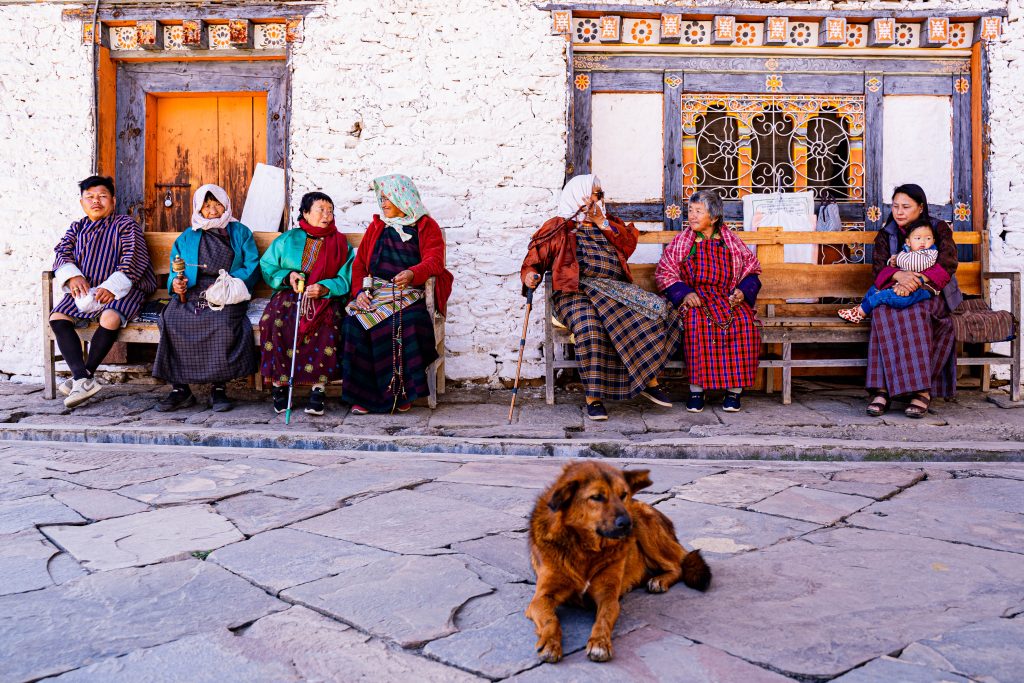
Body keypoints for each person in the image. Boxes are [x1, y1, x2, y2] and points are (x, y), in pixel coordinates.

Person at [521, 174, 678, 421]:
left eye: (600, 194)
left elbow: (627, 246)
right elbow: (534, 259)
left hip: (612, 289)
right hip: (574, 292)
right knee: (590, 328)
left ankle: (649, 379)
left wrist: (601, 222)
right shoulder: (558, 226)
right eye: (595, 193)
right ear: (579, 195)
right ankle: (593, 397)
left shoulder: (607, 223)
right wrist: (531, 275)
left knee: (648, 313)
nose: (599, 198)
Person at [341, 174, 453, 414]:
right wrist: (360, 292)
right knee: (354, 321)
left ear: (403, 198)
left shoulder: (425, 225)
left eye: (387, 199)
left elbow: (435, 262)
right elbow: (360, 264)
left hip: (408, 293)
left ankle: (401, 393)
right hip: (378, 291)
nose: (383, 204)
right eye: (381, 199)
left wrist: (413, 274)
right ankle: (364, 396)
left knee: (404, 322)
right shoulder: (377, 227)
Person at [49, 176, 157, 408]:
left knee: (109, 317)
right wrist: (72, 275)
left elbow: (133, 257)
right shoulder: (77, 228)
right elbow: (61, 252)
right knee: (57, 318)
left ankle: (83, 376)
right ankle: (82, 377)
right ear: (82, 202)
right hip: (86, 287)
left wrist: (113, 285)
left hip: (125, 288)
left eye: (102, 196)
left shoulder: (125, 225)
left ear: (113, 200)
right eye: (90, 197)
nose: (95, 201)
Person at [152, 185, 260, 412]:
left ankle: (219, 387)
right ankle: (180, 388)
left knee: (222, 322)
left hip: (226, 289)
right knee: (172, 318)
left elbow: (252, 265)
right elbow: (176, 267)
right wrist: (176, 282)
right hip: (192, 290)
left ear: (226, 205)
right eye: (206, 206)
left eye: (217, 205)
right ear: (198, 209)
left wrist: (227, 283)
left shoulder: (240, 232)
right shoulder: (187, 236)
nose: (212, 211)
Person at [655, 190, 762, 413]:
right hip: (696, 298)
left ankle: (734, 392)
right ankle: (697, 391)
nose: (692, 216)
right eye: (690, 211)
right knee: (696, 324)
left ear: (713, 218)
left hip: (727, 298)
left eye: (698, 211)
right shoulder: (683, 242)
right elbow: (665, 272)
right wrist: (684, 293)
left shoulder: (730, 242)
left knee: (744, 322)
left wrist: (742, 291)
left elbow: (751, 270)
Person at [864, 184, 961, 418]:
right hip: (896, 288)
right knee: (882, 311)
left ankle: (922, 390)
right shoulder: (887, 233)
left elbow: (947, 262)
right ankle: (882, 389)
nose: (899, 212)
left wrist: (918, 279)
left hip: (932, 291)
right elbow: (879, 267)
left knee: (917, 313)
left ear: (920, 207)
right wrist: (899, 276)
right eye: (896, 206)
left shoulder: (937, 229)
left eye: (906, 207)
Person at [259, 191, 354, 416]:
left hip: (323, 298)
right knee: (274, 321)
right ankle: (279, 387)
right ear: (305, 213)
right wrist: (288, 276)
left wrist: (325, 288)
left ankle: (317, 390)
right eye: (321, 210)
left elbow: (346, 276)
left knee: (328, 323)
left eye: (330, 211)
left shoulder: (340, 244)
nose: (327, 215)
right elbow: (268, 266)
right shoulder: (288, 239)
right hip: (289, 294)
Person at [838, 223, 938, 324]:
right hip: (901, 287)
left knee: (881, 296)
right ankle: (863, 309)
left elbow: (916, 264)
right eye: (918, 238)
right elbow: (902, 262)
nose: (923, 242)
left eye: (928, 238)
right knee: (875, 288)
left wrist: (898, 258)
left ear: (933, 241)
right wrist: (892, 261)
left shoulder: (930, 253)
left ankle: (860, 313)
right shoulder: (907, 251)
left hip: (917, 292)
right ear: (908, 242)